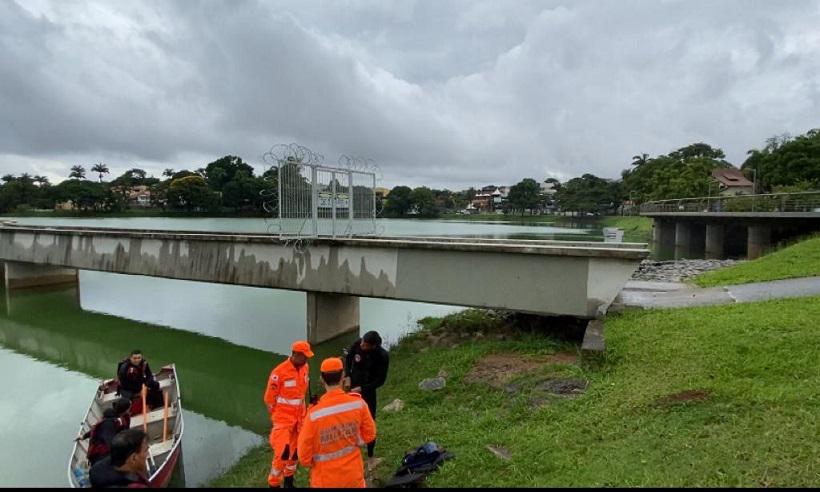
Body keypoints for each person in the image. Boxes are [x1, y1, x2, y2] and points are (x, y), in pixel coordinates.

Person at [297, 357, 377, 489]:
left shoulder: (313, 415)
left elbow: (304, 457)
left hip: (325, 481)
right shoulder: (358, 404)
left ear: (322, 379)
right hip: (353, 477)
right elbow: (370, 435)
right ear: (343, 376)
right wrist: (352, 439)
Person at [264, 340, 314, 488]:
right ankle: (274, 483)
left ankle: (289, 481)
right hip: (283, 421)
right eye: (304, 356)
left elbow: (301, 395)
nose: (306, 359)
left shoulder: (305, 367)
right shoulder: (278, 373)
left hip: (300, 419)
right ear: (295, 354)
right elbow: (269, 400)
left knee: (295, 453)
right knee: (282, 453)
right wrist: (278, 418)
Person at [344, 330, 389, 459]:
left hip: (367, 391)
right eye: (362, 342)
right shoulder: (358, 343)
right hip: (352, 387)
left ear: (373, 346)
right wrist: (347, 376)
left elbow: (380, 381)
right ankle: (350, 449)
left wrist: (362, 389)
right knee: (349, 419)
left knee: (369, 422)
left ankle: (370, 455)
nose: (362, 345)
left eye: (365, 344)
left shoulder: (382, 356)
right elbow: (348, 357)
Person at [76, 397, 132, 466]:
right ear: (125, 410)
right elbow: (109, 441)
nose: (130, 409)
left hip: (114, 443)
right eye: (129, 407)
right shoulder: (109, 423)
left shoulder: (123, 417)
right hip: (101, 453)